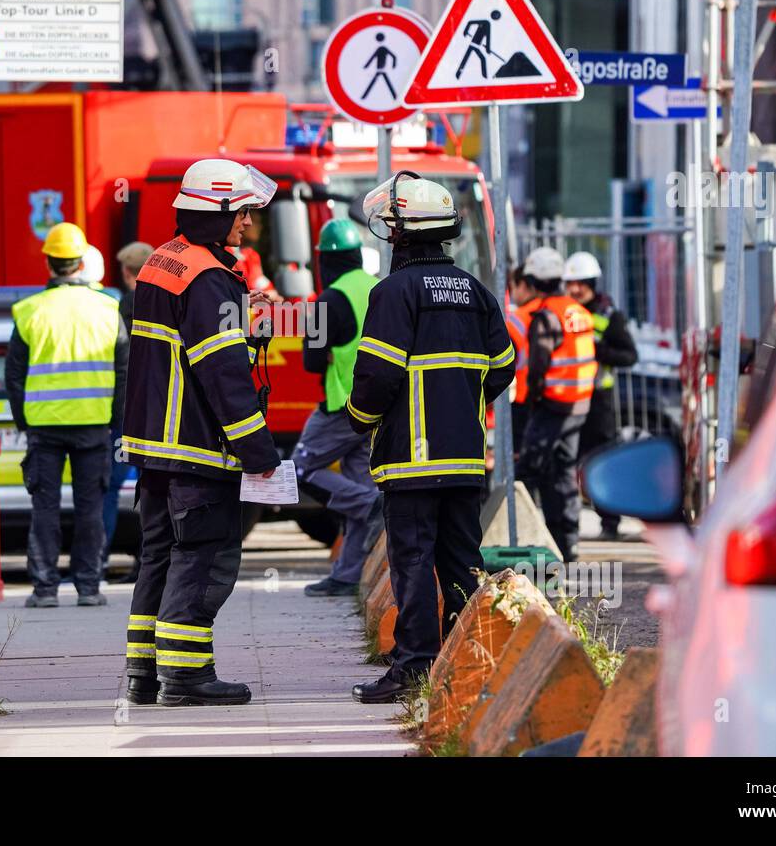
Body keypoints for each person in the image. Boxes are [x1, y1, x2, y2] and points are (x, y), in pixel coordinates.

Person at [345, 172, 516, 703]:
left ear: (401, 234)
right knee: (462, 560)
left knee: (413, 564)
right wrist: (461, 403)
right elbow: (505, 365)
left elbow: (377, 375)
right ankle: (467, 664)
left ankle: (415, 666)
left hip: (409, 461)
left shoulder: (393, 293)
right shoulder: (477, 292)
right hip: (464, 457)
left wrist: (357, 418)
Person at [122, 159, 281, 707]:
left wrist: (239, 316)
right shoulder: (209, 277)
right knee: (204, 558)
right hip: (194, 447)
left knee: (159, 557)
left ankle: (145, 674)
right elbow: (222, 374)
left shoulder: (165, 262)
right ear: (216, 213)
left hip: (155, 449)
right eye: (241, 215)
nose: (247, 225)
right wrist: (259, 449)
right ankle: (187, 678)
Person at [5, 222, 128, 608]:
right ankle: (89, 588)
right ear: (80, 262)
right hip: (94, 426)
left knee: (44, 507)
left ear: (50, 261)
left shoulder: (29, 311)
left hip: (44, 426)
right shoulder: (109, 308)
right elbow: (125, 371)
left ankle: (44, 589)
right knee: (91, 507)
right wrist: (116, 422)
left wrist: (25, 421)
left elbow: (14, 375)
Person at [293, 219, 381, 598]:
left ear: (323, 261)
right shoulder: (378, 288)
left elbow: (312, 362)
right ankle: (347, 575)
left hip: (340, 406)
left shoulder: (326, 301)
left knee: (301, 467)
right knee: (358, 479)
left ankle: (373, 505)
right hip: (376, 405)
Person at [515, 247, 597, 563]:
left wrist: (532, 397)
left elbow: (538, 366)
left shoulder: (546, 316)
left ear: (534, 282)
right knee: (562, 473)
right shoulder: (577, 311)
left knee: (527, 471)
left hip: (553, 405)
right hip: (579, 405)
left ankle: (521, 537)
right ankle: (567, 544)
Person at [563, 251, 640, 540]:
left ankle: (610, 523)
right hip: (568, 398)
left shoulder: (608, 316)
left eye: (580, 283)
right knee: (567, 463)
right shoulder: (565, 313)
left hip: (598, 403)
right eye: (570, 283)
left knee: (603, 462)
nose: (574, 289)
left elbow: (630, 355)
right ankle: (567, 526)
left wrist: (599, 352)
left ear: (592, 283)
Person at [102, 241, 154, 582]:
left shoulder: (125, 304)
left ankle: (97, 564)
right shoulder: (161, 299)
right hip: (157, 410)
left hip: (128, 412)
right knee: (150, 488)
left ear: (126, 272)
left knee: (111, 489)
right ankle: (147, 562)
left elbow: (122, 362)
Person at [505, 265, 535, 455]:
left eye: (512, 287)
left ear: (522, 285)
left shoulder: (516, 320)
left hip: (522, 397)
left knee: (518, 454)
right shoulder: (550, 310)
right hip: (548, 398)